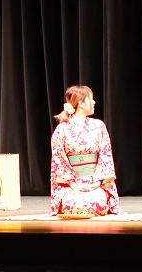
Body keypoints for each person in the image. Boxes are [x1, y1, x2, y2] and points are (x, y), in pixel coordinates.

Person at [50, 85, 123, 216]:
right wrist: (73, 185)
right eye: (91, 99)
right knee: (74, 204)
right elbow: (58, 160)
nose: (94, 102)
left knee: (96, 204)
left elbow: (105, 156)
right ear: (81, 104)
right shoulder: (62, 130)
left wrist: (97, 182)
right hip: (71, 185)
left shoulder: (99, 126)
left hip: (95, 183)